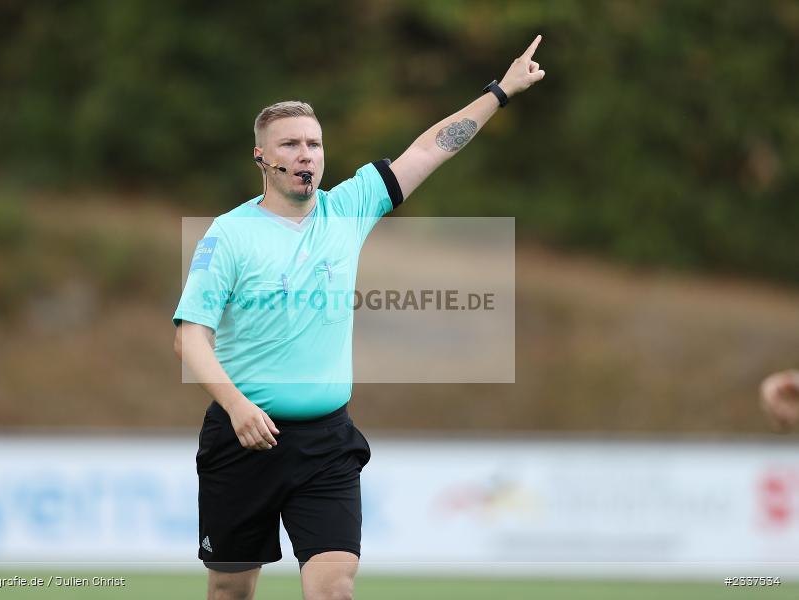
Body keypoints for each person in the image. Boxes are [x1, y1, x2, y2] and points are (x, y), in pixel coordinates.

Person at [173, 35, 546, 600]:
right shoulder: (228, 235)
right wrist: (237, 405)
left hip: (326, 443)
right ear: (261, 158)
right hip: (243, 437)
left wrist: (500, 91)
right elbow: (190, 339)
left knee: (335, 587)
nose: (306, 155)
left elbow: (429, 150)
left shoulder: (347, 209)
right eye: (292, 145)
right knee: (230, 591)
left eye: (315, 144)